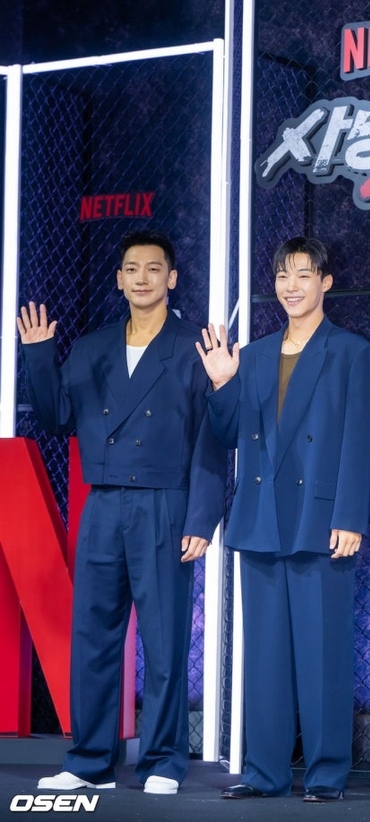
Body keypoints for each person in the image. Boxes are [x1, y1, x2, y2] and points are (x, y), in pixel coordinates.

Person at [17, 229, 227, 795]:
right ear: (119, 279)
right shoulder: (92, 348)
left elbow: (212, 438)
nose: (142, 278)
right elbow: (57, 418)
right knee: (92, 637)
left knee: (164, 641)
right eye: (132, 269)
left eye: (153, 268)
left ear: (172, 278)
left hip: (165, 504)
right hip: (104, 506)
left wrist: (201, 518)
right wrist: (39, 355)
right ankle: (89, 761)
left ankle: (162, 762)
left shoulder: (195, 346)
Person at [196, 236, 370, 802]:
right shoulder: (251, 356)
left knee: (323, 653)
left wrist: (351, 516)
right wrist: (222, 382)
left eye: (303, 274)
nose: (291, 286)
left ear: (326, 282)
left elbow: (361, 442)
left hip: (321, 522)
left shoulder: (352, 353)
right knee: (265, 655)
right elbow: (227, 434)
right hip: (261, 520)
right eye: (282, 275)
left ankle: (326, 773)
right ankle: (265, 771)